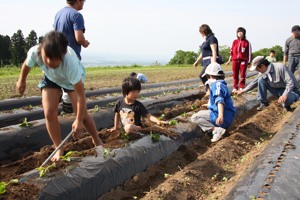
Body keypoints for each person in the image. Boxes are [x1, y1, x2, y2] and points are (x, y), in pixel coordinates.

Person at [16, 31, 103, 161]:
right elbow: (26, 65)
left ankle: (96, 140)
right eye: (47, 57)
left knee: (83, 116)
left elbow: (80, 96)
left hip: (70, 81)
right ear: (42, 50)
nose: (50, 62)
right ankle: (58, 147)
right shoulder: (36, 52)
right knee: (49, 113)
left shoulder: (70, 63)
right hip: (51, 78)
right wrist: (22, 80)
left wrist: (78, 120)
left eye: (55, 58)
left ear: (63, 54)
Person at [53, 0, 90, 113]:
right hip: (70, 56)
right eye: (83, 1)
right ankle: (71, 116)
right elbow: (79, 38)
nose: (84, 3)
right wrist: (85, 43)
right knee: (73, 89)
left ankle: (61, 114)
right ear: (78, 1)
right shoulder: (76, 15)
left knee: (59, 85)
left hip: (57, 55)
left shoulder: (59, 14)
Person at [191, 63, 236, 142]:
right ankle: (223, 129)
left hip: (222, 118)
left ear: (211, 76)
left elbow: (219, 100)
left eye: (207, 77)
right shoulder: (222, 84)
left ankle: (216, 130)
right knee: (204, 112)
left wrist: (221, 116)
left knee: (195, 117)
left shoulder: (216, 86)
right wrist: (209, 105)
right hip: (228, 117)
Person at [235, 56, 299, 111]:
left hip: (290, 90)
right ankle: (264, 103)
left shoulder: (280, 67)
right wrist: (243, 90)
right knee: (260, 79)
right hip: (277, 89)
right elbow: (255, 82)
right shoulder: (263, 72)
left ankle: (295, 96)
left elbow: (290, 83)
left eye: (257, 68)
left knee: (288, 100)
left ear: (263, 65)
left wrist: (285, 95)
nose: (257, 70)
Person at [193, 24, 223, 92]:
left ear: (202, 32)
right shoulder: (205, 40)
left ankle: (210, 90)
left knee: (203, 75)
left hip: (211, 60)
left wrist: (214, 62)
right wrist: (197, 61)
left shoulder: (211, 38)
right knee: (206, 76)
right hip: (206, 61)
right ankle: (209, 90)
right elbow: (203, 52)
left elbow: (214, 50)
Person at [225, 27, 252, 92]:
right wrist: (229, 60)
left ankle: (242, 86)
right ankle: (235, 87)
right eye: (238, 32)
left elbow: (249, 53)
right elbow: (231, 52)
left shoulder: (246, 42)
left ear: (244, 33)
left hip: (243, 60)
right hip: (235, 60)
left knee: (243, 74)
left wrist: (249, 62)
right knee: (235, 74)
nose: (239, 33)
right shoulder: (234, 42)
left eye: (241, 32)